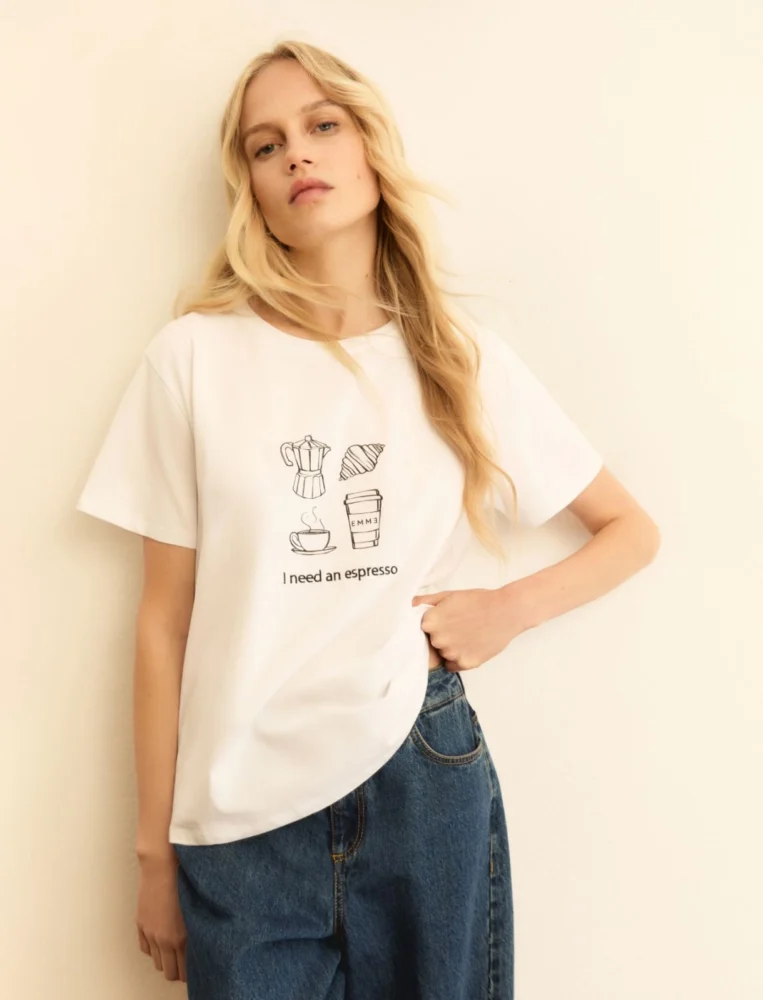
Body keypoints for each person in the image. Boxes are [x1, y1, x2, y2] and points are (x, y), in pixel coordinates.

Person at [75, 39, 660, 1000]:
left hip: (419, 770)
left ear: (370, 150)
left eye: (322, 125)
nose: (296, 155)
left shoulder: (457, 358)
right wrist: (151, 855)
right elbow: (161, 622)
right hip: (239, 808)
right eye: (266, 146)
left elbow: (629, 531)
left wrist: (506, 610)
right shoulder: (193, 360)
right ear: (252, 190)